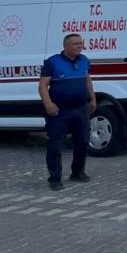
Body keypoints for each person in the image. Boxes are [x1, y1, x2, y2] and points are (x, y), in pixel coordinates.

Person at [38, 33, 95, 191]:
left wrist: (93, 98)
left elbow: (87, 79)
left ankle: (78, 172)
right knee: (55, 145)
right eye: (76, 44)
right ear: (66, 46)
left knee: (82, 141)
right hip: (59, 110)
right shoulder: (52, 62)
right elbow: (43, 85)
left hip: (80, 108)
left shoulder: (84, 60)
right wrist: (48, 104)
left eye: (81, 43)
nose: (79, 46)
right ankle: (55, 178)